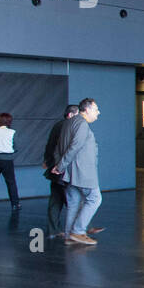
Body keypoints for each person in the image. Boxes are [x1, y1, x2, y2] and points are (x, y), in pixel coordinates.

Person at [50, 98, 102, 246]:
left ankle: (68, 236)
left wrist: (60, 166)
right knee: (95, 199)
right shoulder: (81, 124)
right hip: (82, 171)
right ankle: (78, 231)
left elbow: (59, 147)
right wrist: (60, 166)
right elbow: (75, 146)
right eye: (96, 109)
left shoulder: (68, 123)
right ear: (86, 110)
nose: (98, 112)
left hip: (70, 172)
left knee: (73, 201)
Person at [43, 104, 79, 239]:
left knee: (55, 200)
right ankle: (78, 230)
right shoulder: (70, 127)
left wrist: (47, 161)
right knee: (73, 199)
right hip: (64, 169)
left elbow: (49, 145)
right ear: (70, 115)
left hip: (55, 168)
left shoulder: (57, 125)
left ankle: (53, 230)